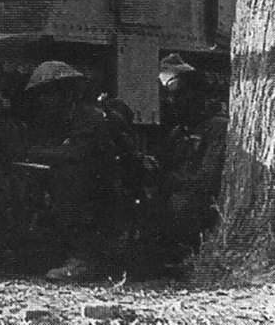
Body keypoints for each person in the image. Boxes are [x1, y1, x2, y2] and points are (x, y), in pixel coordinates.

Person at [21, 61, 145, 281]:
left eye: (48, 95)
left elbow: (76, 153)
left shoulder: (90, 118)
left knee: (68, 183)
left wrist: (35, 153)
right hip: (93, 186)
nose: (43, 101)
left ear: (65, 94)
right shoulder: (63, 118)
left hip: (101, 189)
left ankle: (82, 260)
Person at [157, 54, 227, 254]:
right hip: (180, 194)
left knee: (180, 204)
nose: (172, 102)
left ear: (197, 93)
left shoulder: (217, 127)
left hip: (200, 201)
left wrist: (174, 181)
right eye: (168, 96)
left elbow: (208, 178)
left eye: (179, 95)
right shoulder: (179, 132)